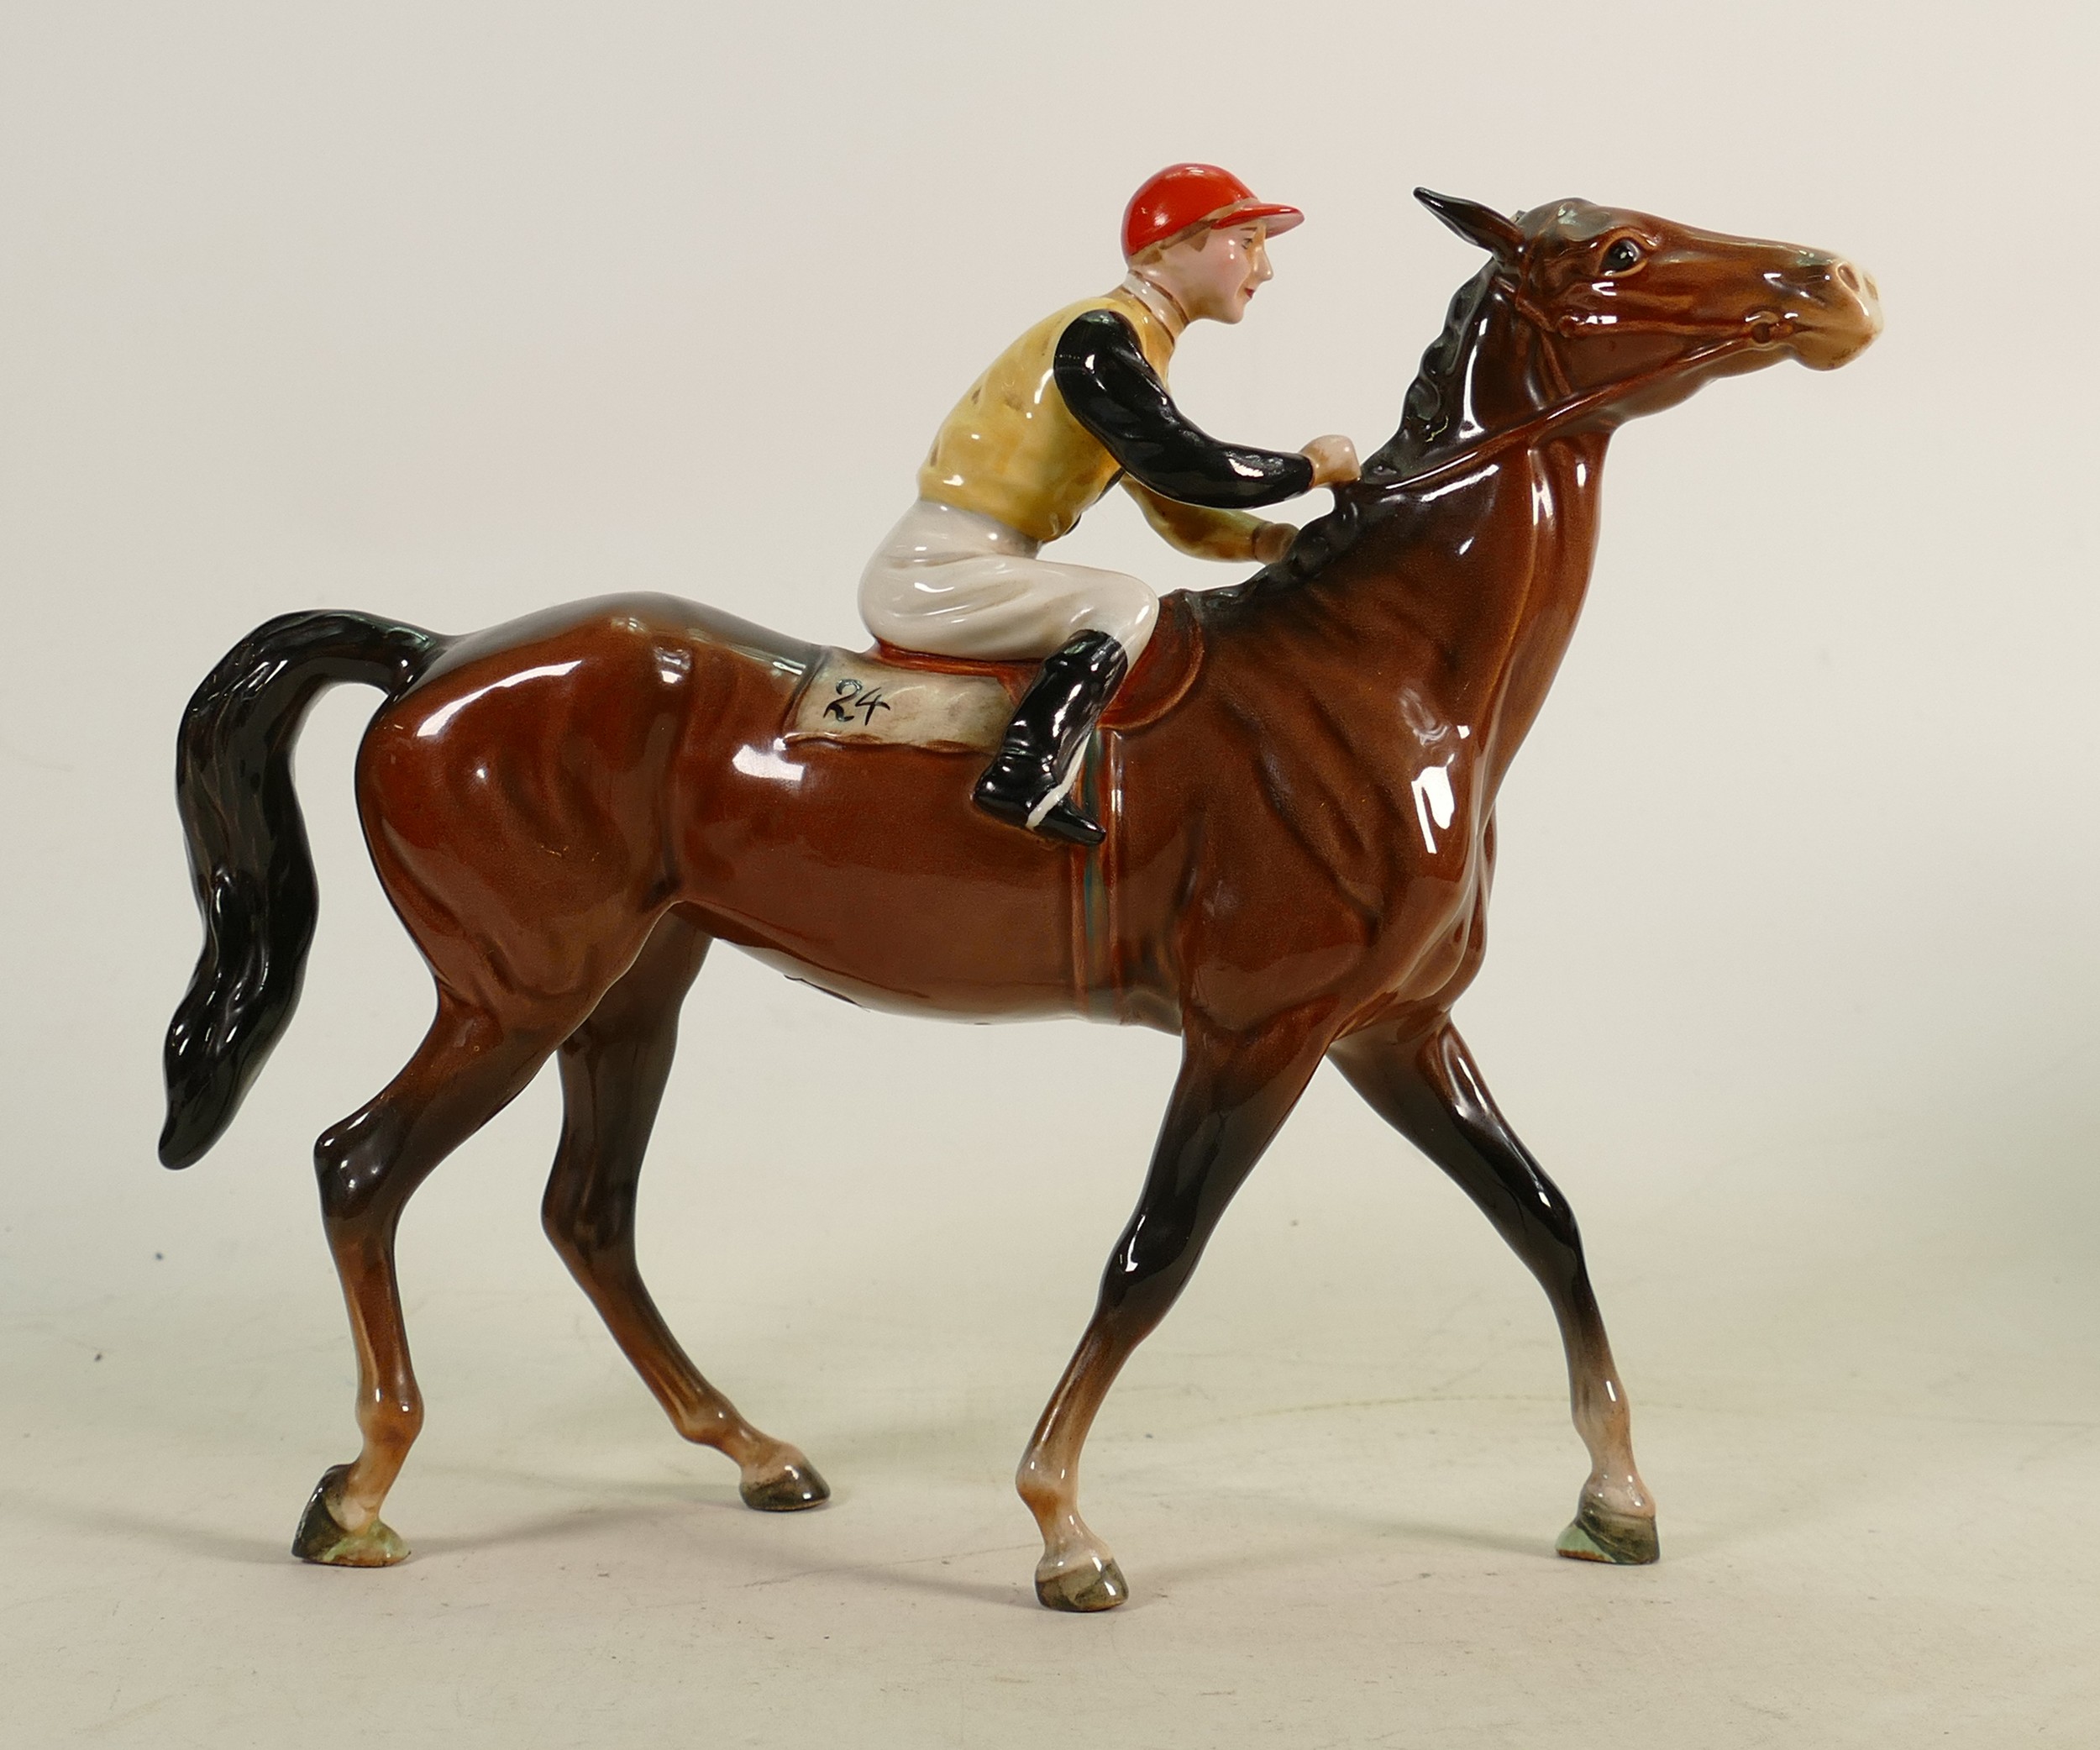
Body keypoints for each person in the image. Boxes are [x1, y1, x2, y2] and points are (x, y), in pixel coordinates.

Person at [859, 162, 1359, 846]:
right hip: (938, 571)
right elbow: (1184, 462)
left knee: (1119, 600)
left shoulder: (1134, 347)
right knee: (1121, 603)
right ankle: (1022, 774)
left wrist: (1263, 539)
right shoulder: (1097, 339)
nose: (1264, 268)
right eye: (1246, 242)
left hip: (979, 562)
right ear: (1170, 247)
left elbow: (1175, 504)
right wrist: (1308, 469)